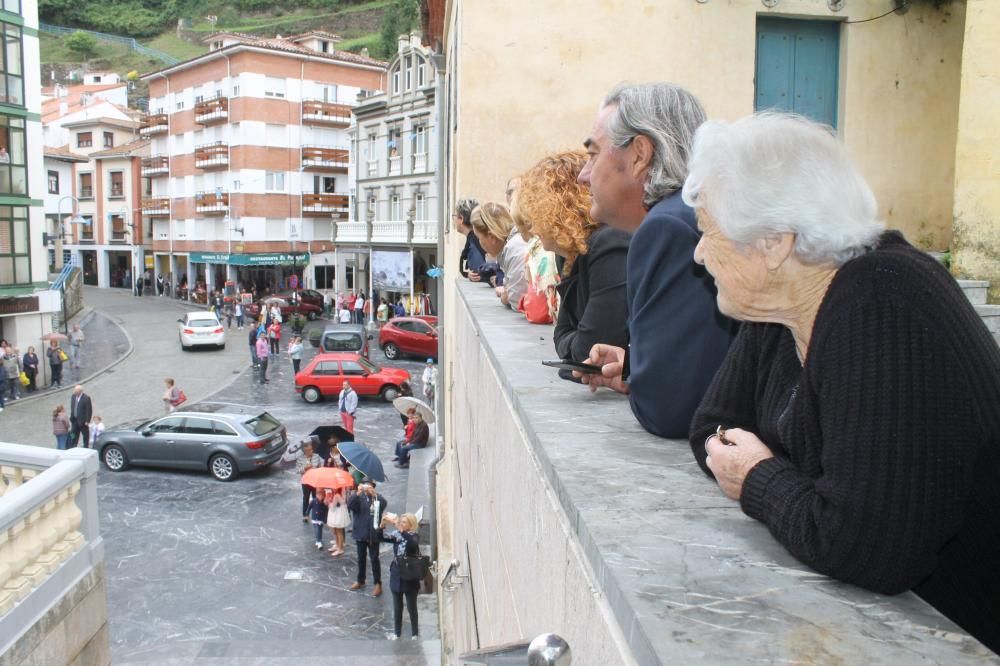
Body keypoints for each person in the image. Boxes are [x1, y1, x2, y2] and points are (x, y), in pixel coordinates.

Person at [684, 112, 1000, 652]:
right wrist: (769, 477)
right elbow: (710, 429)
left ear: (774, 242)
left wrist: (759, 477)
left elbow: (865, 548)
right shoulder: (784, 304)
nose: (698, 253)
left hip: (957, 636)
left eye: (707, 233)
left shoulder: (883, 303)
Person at [576, 82, 736, 438]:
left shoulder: (666, 229)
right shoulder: (690, 214)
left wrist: (649, 383)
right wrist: (636, 367)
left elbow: (668, 410)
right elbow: (713, 366)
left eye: (592, 154)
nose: (582, 174)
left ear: (639, 155)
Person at [518, 151, 630, 362]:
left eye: (535, 211)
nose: (532, 226)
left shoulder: (607, 244)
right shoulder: (570, 254)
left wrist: (573, 347)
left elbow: (589, 349)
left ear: (558, 207)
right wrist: (573, 346)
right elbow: (561, 335)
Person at [470, 203, 530, 308]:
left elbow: (518, 301)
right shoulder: (510, 246)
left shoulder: (514, 249)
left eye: (479, 238)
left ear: (492, 236)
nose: (480, 243)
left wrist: (505, 297)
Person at [379, 513, 421, 640]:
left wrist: (398, 527)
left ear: (411, 524)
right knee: (397, 606)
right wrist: (382, 524)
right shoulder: (397, 535)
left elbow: (412, 543)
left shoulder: (413, 535)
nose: (401, 524)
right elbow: (380, 538)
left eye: (404, 522)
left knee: (411, 605)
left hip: (410, 574)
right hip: (397, 574)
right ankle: (397, 633)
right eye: (400, 521)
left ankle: (414, 633)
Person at [348, 481, 388, 597]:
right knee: (361, 558)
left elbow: (384, 504)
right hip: (360, 533)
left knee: (374, 559)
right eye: (364, 485)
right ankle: (360, 580)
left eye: (368, 486)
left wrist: (375, 494)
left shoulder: (376, 498)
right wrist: (357, 493)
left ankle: (377, 583)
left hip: (373, 534)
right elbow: (350, 505)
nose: (366, 489)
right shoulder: (358, 497)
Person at [455, 197, 497, 284]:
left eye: (454, 216)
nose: (453, 219)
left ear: (461, 219)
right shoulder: (474, 239)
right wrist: (468, 274)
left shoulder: (475, 241)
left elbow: (481, 274)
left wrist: (471, 275)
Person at [296, 440, 323, 522]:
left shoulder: (316, 456)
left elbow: (319, 467)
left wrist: (316, 469)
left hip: (315, 481)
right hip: (306, 481)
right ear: (304, 451)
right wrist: (305, 468)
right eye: (308, 450)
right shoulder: (300, 459)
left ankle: (317, 513)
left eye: (311, 449)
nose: (310, 451)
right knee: (306, 497)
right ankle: (305, 514)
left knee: (316, 497)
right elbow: (298, 470)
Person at [326, 488, 350, 556]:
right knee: (336, 530)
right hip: (337, 513)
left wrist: (329, 501)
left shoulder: (337, 495)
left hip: (338, 514)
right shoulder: (336, 493)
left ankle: (340, 548)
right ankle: (337, 545)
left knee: (339, 531)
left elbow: (333, 507)